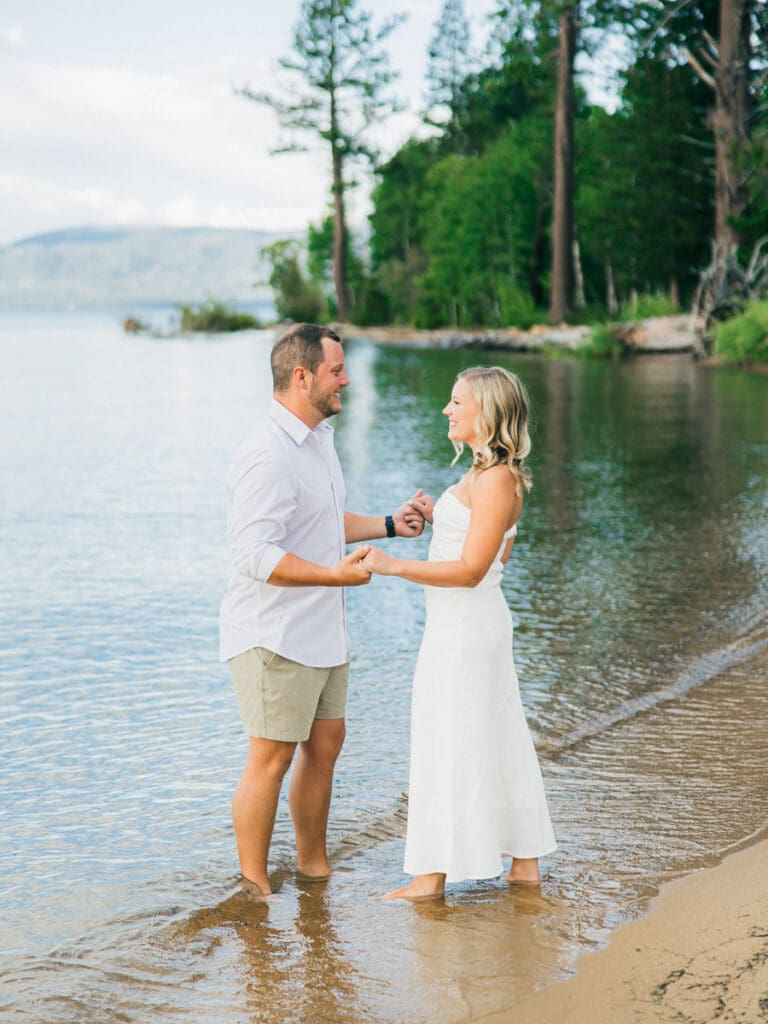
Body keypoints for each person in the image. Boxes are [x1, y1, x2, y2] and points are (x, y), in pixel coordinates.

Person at [219, 322, 426, 897]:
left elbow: (319, 524)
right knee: (271, 756)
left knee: (326, 744)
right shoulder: (266, 453)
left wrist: (389, 524)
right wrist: (334, 574)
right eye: (337, 370)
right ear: (302, 376)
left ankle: (314, 866)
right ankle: (254, 888)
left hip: (322, 629)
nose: (348, 380)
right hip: (274, 632)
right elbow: (255, 554)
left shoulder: (318, 440)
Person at [361, 366, 556, 900]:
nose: (447, 410)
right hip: (466, 624)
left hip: (466, 628)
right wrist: (436, 515)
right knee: (492, 734)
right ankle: (522, 864)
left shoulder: (495, 480)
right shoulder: (485, 476)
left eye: (456, 402)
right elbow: (494, 550)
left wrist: (392, 564)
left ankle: (429, 879)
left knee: (449, 737)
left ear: (486, 414)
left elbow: (473, 570)